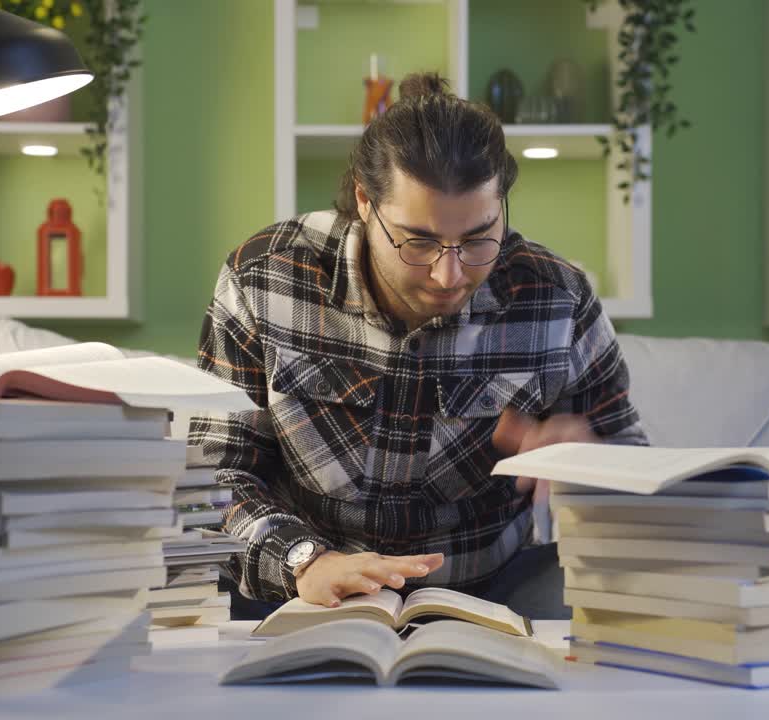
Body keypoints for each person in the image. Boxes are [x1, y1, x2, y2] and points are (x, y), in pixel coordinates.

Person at [190, 72, 648, 620]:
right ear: (364, 199)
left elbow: (635, 480)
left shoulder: (557, 299)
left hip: (496, 595)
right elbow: (212, 475)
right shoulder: (264, 278)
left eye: (479, 238)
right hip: (299, 592)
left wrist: (592, 464)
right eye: (419, 241)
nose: (448, 274)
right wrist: (304, 560)